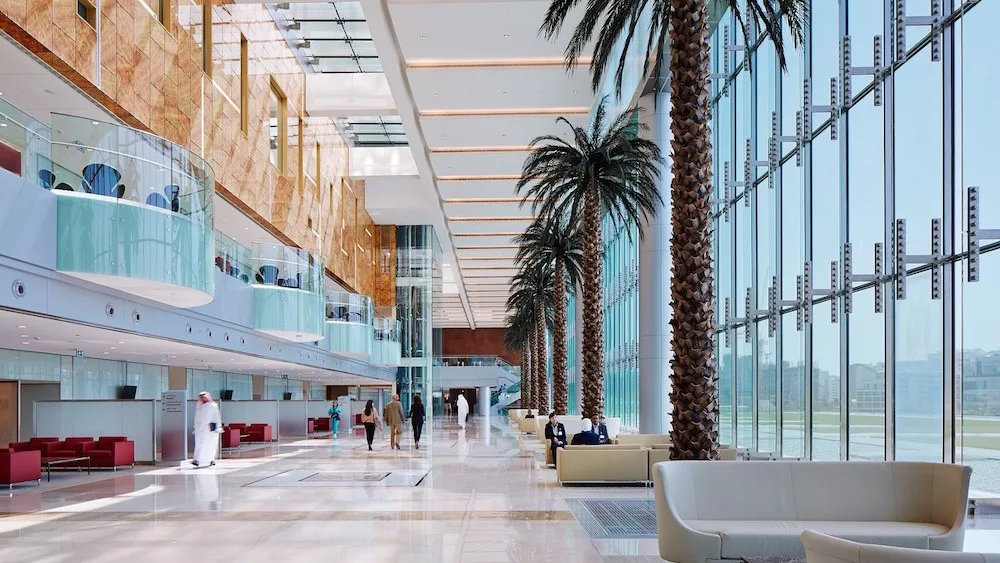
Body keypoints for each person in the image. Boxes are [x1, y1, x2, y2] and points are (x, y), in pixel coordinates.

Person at [192, 391, 222, 467]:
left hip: (211, 429)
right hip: (201, 429)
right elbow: (197, 418)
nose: (202, 398)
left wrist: (218, 427)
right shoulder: (199, 406)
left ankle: (211, 459)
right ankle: (197, 460)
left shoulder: (213, 405)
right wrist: (196, 428)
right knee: (200, 444)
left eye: (204, 397)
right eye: (201, 397)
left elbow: (217, 417)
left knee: (210, 445)